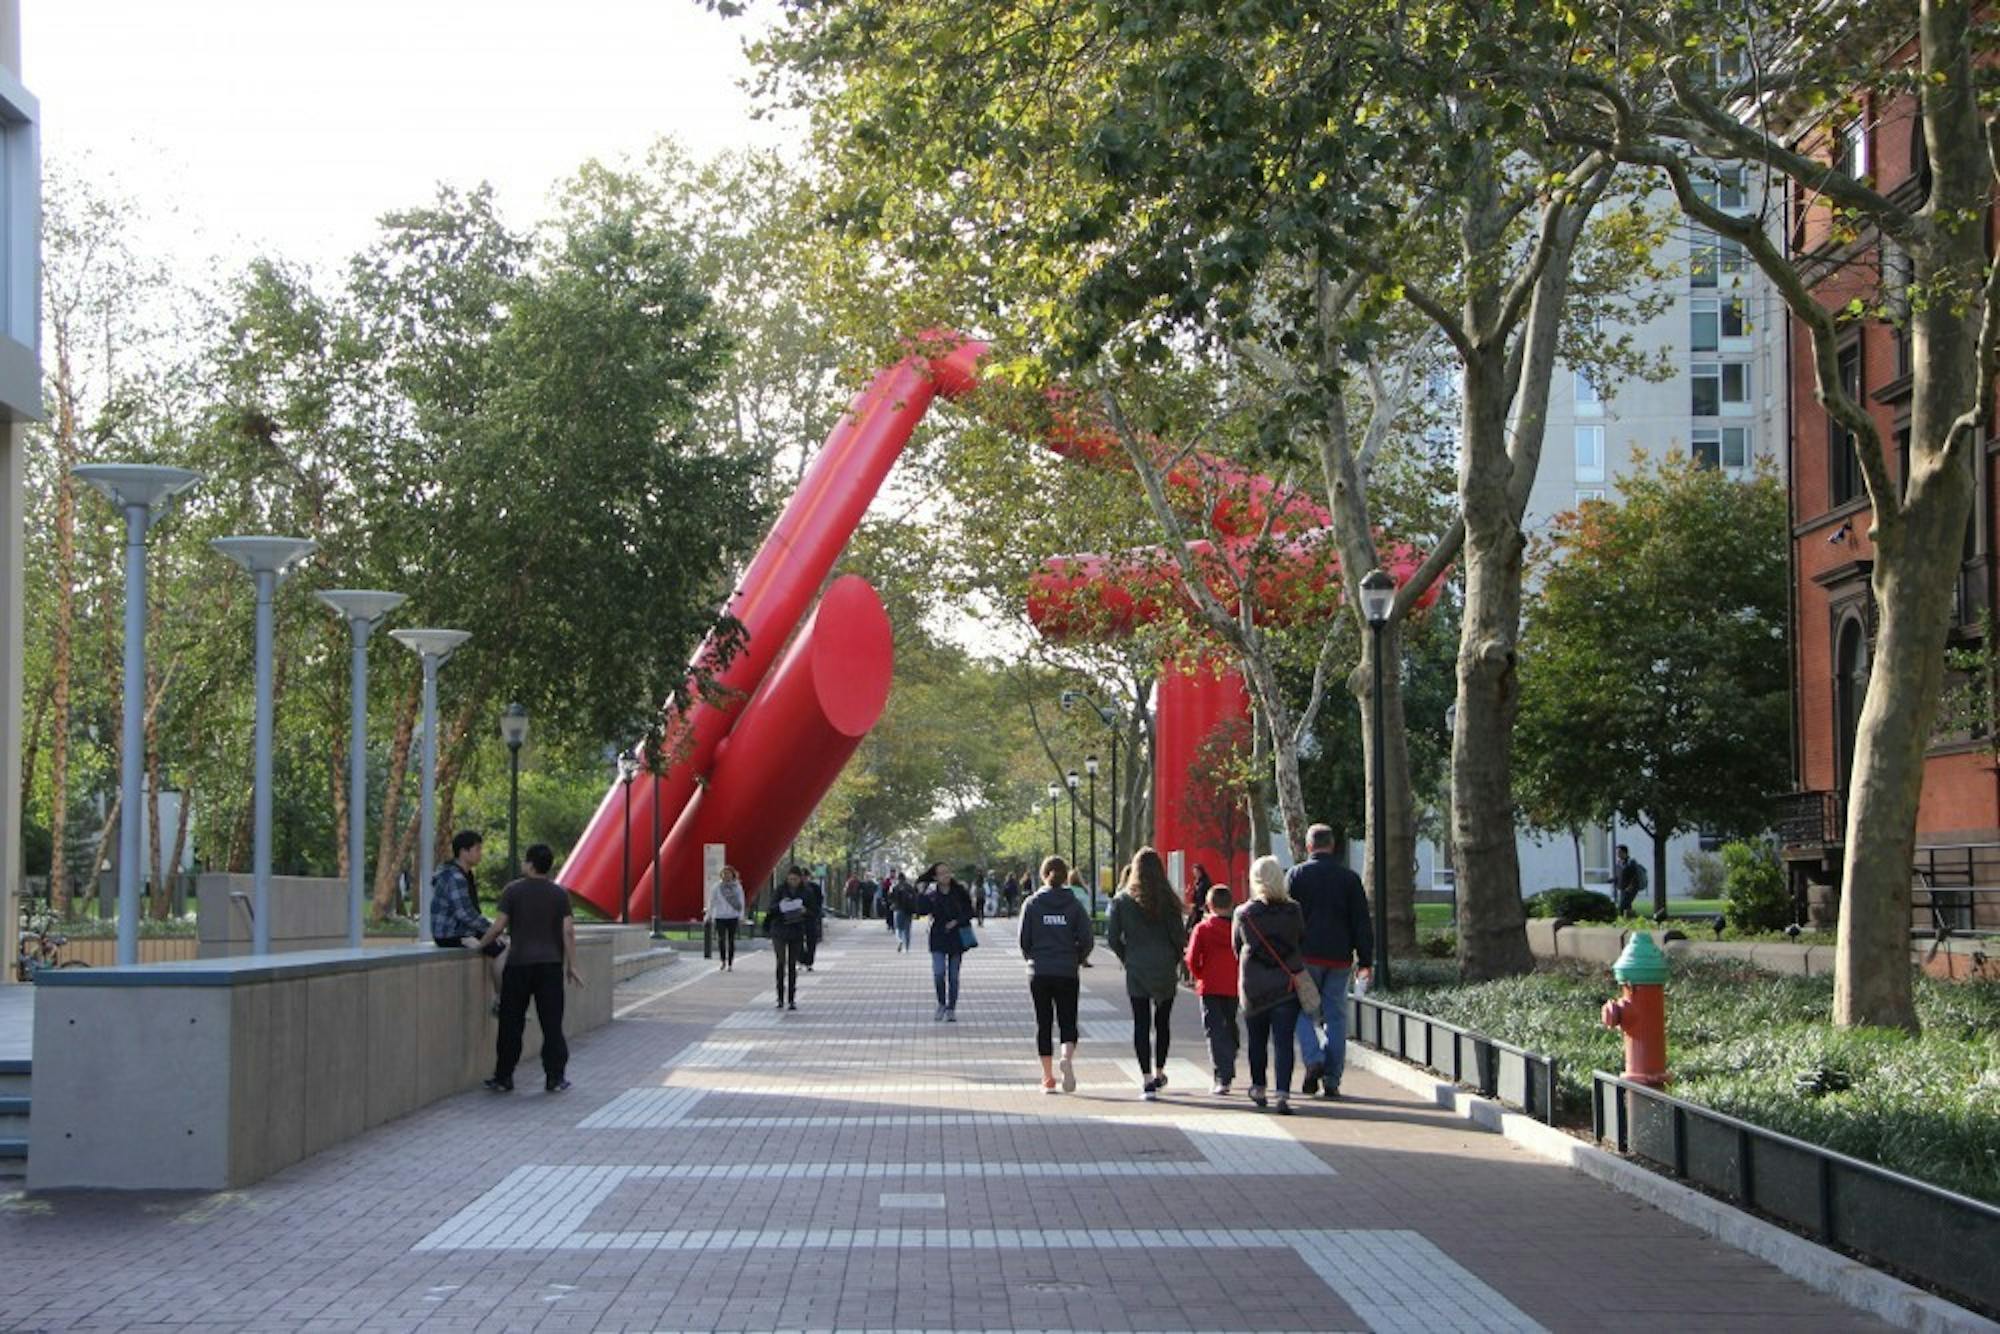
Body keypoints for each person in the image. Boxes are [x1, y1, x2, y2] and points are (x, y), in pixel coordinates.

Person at [477, 844, 580, 1094]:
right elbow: (568, 931)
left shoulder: (513, 891)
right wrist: (571, 965)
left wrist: (481, 943)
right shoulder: (559, 894)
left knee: (511, 1023)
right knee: (552, 1024)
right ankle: (555, 1078)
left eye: (525, 861)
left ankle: (504, 1077)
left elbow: (499, 925)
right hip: (550, 966)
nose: (523, 864)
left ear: (531, 864)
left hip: (518, 964)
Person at [1288, 824, 1374, 1101]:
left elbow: (1286, 917)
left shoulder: (1296, 875)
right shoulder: (1349, 879)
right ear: (1333, 845)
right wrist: (1365, 959)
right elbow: (1361, 921)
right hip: (1339, 958)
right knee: (1335, 1017)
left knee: (1300, 1011)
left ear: (1309, 846)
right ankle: (1332, 1079)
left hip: (1306, 957)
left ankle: (1313, 1058)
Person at [1106, 847, 1188, 1100]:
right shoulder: (1170, 900)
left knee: (1141, 1023)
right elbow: (1179, 937)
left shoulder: (1122, 901)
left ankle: (1145, 1079)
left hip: (1137, 967)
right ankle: (1160, 1069)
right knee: (1162, 1023)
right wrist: (1175, 960)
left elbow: (1112, 937)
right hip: (1164, 967)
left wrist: (1126, 957)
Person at [1236, 854, 1308, 1115]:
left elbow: (1237, 947)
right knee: (1284, 1041)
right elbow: (1301, 938)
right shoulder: (1294, 910)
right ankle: (1283, 1093)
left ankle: (1258, 1087)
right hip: (1285, 985)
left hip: (1254, 987)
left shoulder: (1244, 913)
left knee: (1256, 1040)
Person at [1019, 855, 1093, 1093]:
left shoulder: (1032, 903)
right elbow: (1087, 939)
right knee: (1067, 1019)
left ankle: (1048, 1077)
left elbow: (1024, 940)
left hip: (1039, 970)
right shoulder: (1074, 904)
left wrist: (1032, 958)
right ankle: (1067, 1058)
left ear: (1043, 874)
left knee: (1043, 1022)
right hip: (1066, 970)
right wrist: (1077, 958)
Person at [430, 830, 504, 1012]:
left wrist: (491, 931)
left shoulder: (464, 874)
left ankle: (503, 1001)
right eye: (477, 849)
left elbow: (470, 912)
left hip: (460, 929)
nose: (480, 854)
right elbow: (465, 913)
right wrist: (492, 929)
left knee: (502, 943)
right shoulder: (455, 877)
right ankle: (502, 1002)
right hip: (450, 934)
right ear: (463, 852)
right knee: (501, 950)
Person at [1184, 883, 1240, 1095]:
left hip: (1210, 985)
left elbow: (1191, 958)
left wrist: (1199, 975)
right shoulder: (1238, 927)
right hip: (1233, 985)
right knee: (1230, 1022)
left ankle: (1222, 1075)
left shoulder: (1203, 929)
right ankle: (1231, 1050)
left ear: (1209, 905)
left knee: (1214, 1029)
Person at [917, 862, 976, 1022]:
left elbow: (970, 912)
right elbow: (921, 910)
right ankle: (941, 1003)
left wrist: (956, 921)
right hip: (938, 937)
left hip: (956, 938)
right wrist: (921, 892)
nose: (946, 876)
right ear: (935, 877)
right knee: (938, 973)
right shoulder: (931, 894)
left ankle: (951, 1008)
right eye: (942, 873)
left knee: (953, 977)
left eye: (947, 872)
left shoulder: (959, 891)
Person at [764, 866, 812, 1011]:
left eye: (796, 879)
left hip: (796, 931)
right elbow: (771, 908)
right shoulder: (780, 890)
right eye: (790, 879)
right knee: (780, 962)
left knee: (792, 964)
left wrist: (805, 911)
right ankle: (779, 997)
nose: (793, 882)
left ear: (800, 879)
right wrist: (781, 905)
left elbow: (814, 911)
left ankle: (791, 999)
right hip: (779, 930)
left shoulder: (806, 892)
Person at [707, 865, 745, 971]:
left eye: (728, 873)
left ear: (732, 875)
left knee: (731, 940)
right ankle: (723, 960)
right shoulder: (717, 887)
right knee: (721, 939)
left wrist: (741, 915)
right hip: (720, 916)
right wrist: (709, 915)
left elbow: (741, 901)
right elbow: (711, 901)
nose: (726, 875)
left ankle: (730, 963)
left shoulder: (737, 887)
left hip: (733, 916)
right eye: (724, 873)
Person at [1066, 869, 1096, 966]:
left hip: (1069, 918)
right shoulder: (1084, 891)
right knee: (1084, 938)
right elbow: (1088, 907)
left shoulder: (1067, 891)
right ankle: (1084, 958)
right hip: (1083, 918)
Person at [800, 872, 826, 971]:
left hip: (811, 917)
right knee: (798, 940)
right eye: (802, 877)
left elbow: (819, 901)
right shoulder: (796, 889)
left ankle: (809, 962)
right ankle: (801, 960)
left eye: (806, 877)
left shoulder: (814, 888)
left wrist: (814, 912)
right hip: (798, 918)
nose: (804, 879)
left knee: (811, 940)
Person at [1613, 845, 1648, 916]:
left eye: (1619, 852)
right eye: (1617, 852)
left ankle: (1622, 920)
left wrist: (1630, 886)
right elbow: (1619, 876)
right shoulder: (1619, 863)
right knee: (1627, 906)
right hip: (1623, 888)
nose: (1617, 854)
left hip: (1631, 888)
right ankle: (1630, 921)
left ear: (1624, 853)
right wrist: (1612, 880)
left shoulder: (1631, 862)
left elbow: (1635, 875)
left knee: (1622, 905)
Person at [890, 871, 918, 952]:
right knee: (907, 930)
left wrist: (893, 905)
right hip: (909, 911)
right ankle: (907, 947)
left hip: (899, 909)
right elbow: (915, 899)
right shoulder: (910, 887)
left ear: (898, 879)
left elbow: (891, 897)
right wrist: (916, 912)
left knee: (898, 928)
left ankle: (900, 940)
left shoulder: (896, 887)